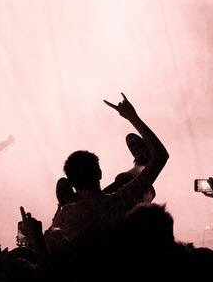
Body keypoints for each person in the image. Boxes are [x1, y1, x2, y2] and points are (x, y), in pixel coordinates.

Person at [50, 93, 169, 243]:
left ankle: (72, 200)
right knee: (126, 182)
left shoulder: (65, 217)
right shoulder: (119, 203)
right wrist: (133, 117)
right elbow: (161, 156)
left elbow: (49, 248)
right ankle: (142, 164)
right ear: (99, 173)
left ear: (73, 184)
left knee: (122, 183)